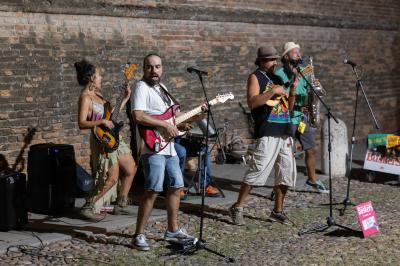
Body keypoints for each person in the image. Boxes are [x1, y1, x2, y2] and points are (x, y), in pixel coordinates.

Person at [131, 54, 204, 250]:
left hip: (169, 146)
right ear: (144, 69)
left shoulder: (163, 89)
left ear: (162, 68)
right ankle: (138, 234)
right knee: (153, 188)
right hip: (152, 147)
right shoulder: (141, 87)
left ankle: (172, 230)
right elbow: (138, 115)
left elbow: (175, 116)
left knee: (176, 186)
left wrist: (197, 114)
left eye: (157, 66)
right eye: (149, 67)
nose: (154, 70)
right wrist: (164, 124)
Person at [229, 45, 297, 226]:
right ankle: (238, 207)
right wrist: (273, 91)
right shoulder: (255, 76)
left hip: (285, 129)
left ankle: (278, 210)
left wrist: (292, 92)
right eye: (270, 59)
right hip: (267, 131)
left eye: (275, 59)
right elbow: (252, 102)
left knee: (285, 172)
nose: (275, 62)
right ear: (261, 61)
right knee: (257, 170)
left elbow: (288, 108)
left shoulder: (277, 77)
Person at [75, 59, 137, 221]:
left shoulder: (98, 95)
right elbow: (82, 123)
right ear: (91, 78)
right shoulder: (86, 97)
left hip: (113, 136)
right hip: (101, 139)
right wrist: (101, 122)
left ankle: (121, 204)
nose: (101, 77)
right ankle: (89, 206)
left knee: (131, 168)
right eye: (99, 75)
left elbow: (111, 116)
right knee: (111, 178)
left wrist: (124, 99)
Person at [275, 42, 329, 193]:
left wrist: (315, 89)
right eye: (295, 52)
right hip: (287, 117)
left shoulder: (306, 71)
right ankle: (279, 186)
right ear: (286, 56)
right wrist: (295, 80)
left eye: (299, 52)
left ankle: (312, 179)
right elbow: (282, 94)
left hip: (303, 117)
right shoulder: (279, 73)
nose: (299, 55)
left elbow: (309, 92)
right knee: (285, 154)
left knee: (311, 149)